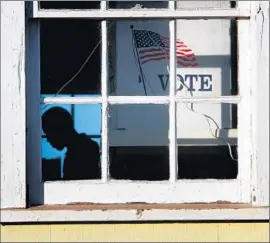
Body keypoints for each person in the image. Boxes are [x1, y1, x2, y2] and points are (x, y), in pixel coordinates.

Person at [42, 107, 101, 180]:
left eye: (49, 134)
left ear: (59, 130)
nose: (47, 139)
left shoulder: (82, 150)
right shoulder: (83, 147)